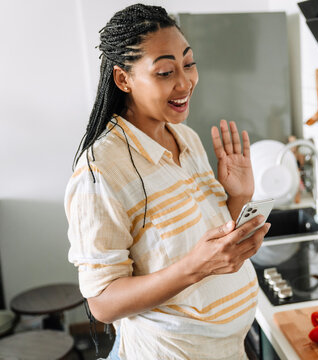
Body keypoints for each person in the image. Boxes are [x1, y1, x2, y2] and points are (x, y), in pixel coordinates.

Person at [64, 4, 270, 359]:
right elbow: (101, 303)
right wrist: (194, 268)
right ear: (123, 79)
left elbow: (207, 240)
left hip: (225, 350)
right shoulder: (101, 171)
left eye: (188, 64)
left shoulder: (185, 138)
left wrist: (238, 197)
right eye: (164, 72)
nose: (185, 82)